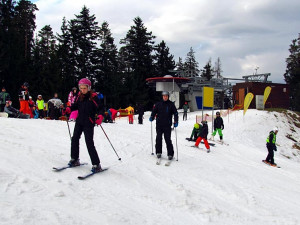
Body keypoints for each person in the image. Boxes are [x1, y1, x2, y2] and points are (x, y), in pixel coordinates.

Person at [68, 78, 104, 173]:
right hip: (79, 121)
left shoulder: (93, 97)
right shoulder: (79, 96)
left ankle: (96, 164)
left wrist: (100, 116)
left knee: (89, 142)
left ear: (89, 88)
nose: (82, 90)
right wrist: (68, 109)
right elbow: (75, 106)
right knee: (75, 138)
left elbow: (101, 108)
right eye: (81, 88)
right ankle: (75, 159)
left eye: (84, 88)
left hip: (89, 122)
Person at [149, 91, 178, 160]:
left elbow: (175, 113)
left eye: (166, 96)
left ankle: (170, 154)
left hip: (167, 125)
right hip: (159, 124)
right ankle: (158, 152)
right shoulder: (158, 104)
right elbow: (154, 111)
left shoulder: (171, 104)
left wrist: (176, 121)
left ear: (168, 96)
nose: (165, 97)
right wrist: (152, 117)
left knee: (167, 139)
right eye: (164, 96)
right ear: (162, 96)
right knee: (158, 138)